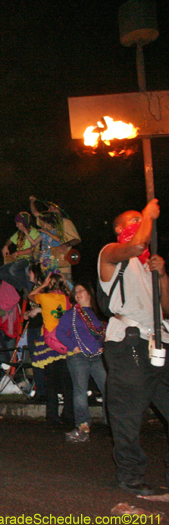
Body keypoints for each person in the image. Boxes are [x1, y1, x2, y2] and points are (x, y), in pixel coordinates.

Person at [98, 199, 169, 496]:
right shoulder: (111, 254)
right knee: (127, 415)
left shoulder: (148, 264)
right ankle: (130, 475)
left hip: (160, 342)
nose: (140, 224)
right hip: (129, 345)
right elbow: (136, 246)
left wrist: (163, 275)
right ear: (119, 229)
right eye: (133, 221)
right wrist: (149, 217)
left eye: (142, 220)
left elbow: (165, 309)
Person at [53, 281, 106, 443]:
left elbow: (106, 331)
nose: (77, 294)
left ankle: (112, 421)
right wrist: (72, 346)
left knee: (108, 388)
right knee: (80, 391)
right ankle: (82, 424)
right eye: (75, 292)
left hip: (97, 356)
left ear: (89, 293)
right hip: (78, 357)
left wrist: (104, 345)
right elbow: (60, 332)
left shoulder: (100, 313)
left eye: (81, 290)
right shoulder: (71, 314)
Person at [29, 271, 74, 426]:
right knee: (68, 383)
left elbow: (30, 296)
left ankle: (52, 415)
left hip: (49, 344)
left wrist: (42, 285)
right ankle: (69, 414)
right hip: (65, 342)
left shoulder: (45, 297)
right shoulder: (68, 299)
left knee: (51, 383)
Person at [0, 212, 41, 293]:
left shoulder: (35, 233)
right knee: (0, 272)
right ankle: (21, 286)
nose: (16, 225)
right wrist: (6, 246)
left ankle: (28, 288)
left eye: (18, 223)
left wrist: (18, 253)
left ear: (24, 222)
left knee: (13, 269)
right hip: (19, 260)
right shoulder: (19, 233)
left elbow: (32, 250)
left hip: (29, 259)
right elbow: (10, 240)